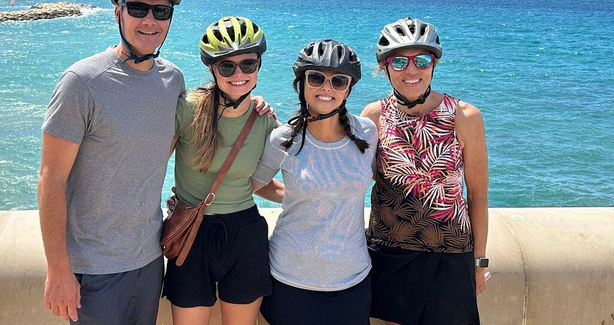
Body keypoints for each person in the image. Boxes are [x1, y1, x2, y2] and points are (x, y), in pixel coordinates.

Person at [38, 0, 185, 325]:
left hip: (150, 260)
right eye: (137, 8)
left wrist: (254, 105)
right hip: (94, 269)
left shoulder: (173, 81)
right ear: (117, 11)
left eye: (161, 11)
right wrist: (58, 270)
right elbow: (50, 179)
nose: (150, 21)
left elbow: (161, 149)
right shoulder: (82, 82)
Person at [361, 17, 489, 325]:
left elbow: (478, 194)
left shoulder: (465, 116)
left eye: (421, 60)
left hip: (450, 255)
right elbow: (351, 182)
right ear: (385, 67)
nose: (411, 70)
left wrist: (479, 262)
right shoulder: (373, 116)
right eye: (400, 61)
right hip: (389, 253)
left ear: (433, 64)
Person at [163, 16, 281, 325]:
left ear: (259, 65)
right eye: (227, 67)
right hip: (191, 233)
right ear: (212, 69)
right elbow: (151, 162)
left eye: (248, 64)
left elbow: (258, 182)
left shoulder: (265, 120)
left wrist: (309, 198)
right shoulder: (187, 108)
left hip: (245, 235)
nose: (238, 74)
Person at [252, 39, 378, 325]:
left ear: (349, 88)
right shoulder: (282, 139)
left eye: (338, 81)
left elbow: (372, 177)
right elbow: (257, 184)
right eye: (317, 78)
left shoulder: (367, 132)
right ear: (302, 83)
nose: (326, 87)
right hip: (289, 280)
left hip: (353, 281)